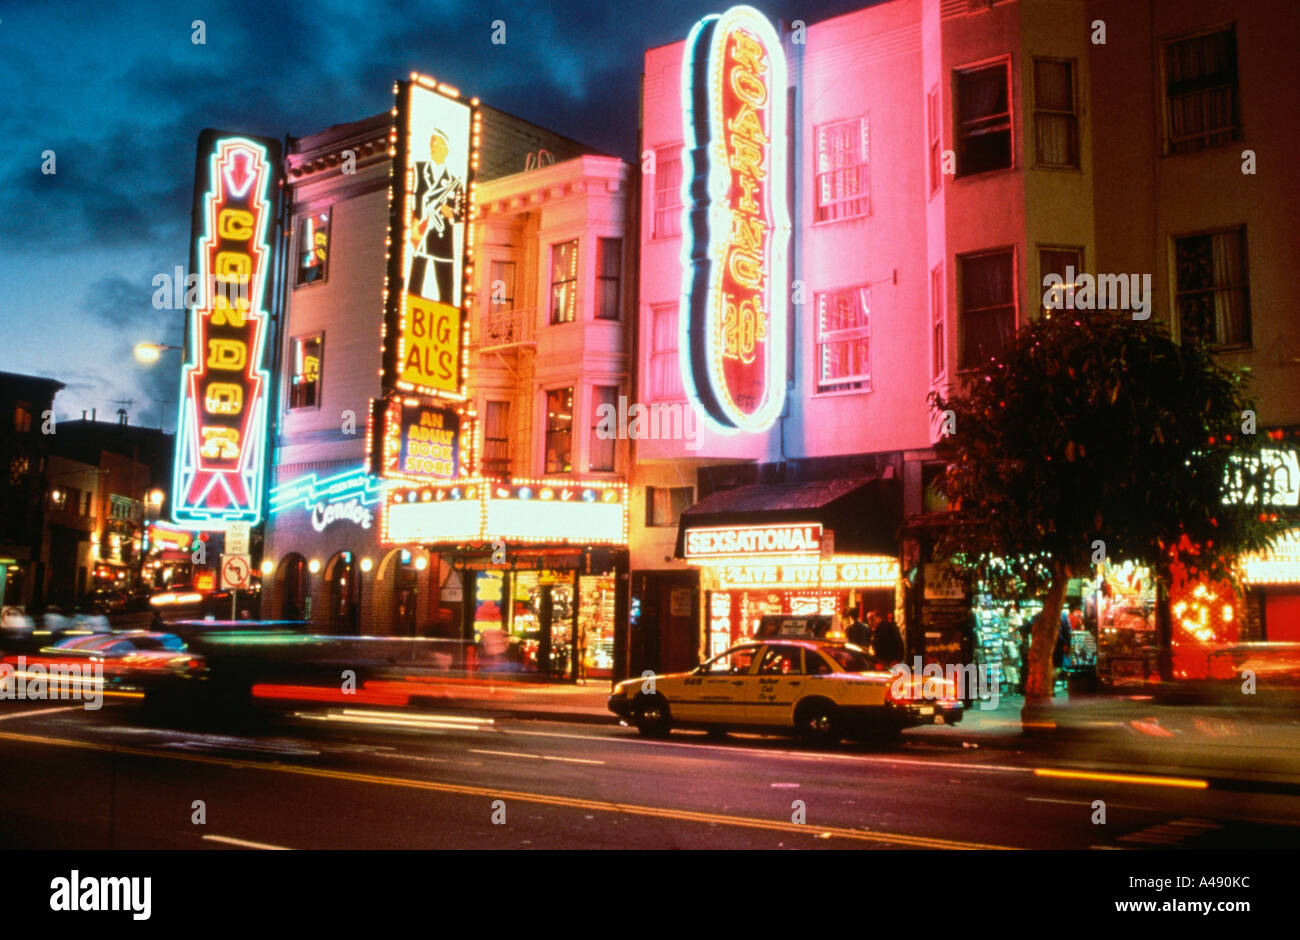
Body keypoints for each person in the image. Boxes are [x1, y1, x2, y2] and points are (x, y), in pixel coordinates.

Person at [408, 129, 466, 304]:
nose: (436, 148)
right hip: (423, 233)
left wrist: (449, 213)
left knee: (446, 289)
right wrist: (416, 223)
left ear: (447, 150)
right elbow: (414, 195)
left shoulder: (455, 181)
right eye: (434, 144)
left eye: (441, 145)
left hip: (442, 238)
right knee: (415, 285)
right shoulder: (418, 169)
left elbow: (460, 212)